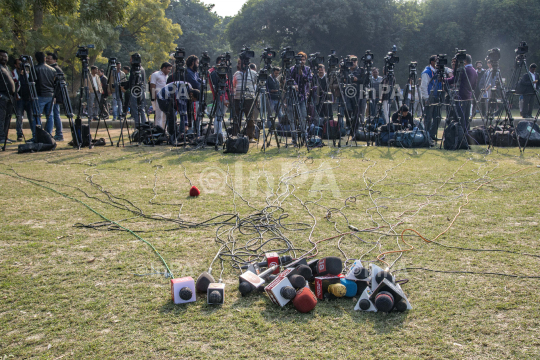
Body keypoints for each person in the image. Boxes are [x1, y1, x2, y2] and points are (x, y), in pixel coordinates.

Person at [156, 80, 198, 145]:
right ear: (191, 94)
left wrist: (187, 124)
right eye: (193, 99)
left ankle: (176, 134)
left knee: (173, 115)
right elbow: (182, 111)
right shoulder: (184, 91)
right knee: (171, 115)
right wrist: (185, 125)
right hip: (162, 98)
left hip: (170, 98)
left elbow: (186, 110)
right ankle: (172, 136)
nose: (192, 101)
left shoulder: (189, 88)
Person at [446, 54, 478, 131]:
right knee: (466, 118)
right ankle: (466, 135)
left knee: (460, 118)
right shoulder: (474, 70)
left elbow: (454, 79)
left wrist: (443, 80)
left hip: (461, 97)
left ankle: (460, 135)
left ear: (464, 61)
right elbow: (474, 86)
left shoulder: (464, 70)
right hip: (468, 97)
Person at [289, 51, 313, 144]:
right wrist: (294, 85)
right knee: (292, 119)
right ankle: (294, 138)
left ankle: (304, 137)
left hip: (303, 97)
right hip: (292, 96)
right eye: (300, 60)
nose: (302, 61)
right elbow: (288, 78)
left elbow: (309, 79)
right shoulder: (292, 69)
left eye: (303, 60)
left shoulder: (307, 69)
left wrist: (301, 73)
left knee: (303, 117)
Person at [232, 58, 258, 141]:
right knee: (237, 118)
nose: (238, 65)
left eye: (240, 63)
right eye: (238, 63)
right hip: (237, 98)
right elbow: (233, 85)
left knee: (250, 118)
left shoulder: (253, 73)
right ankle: (235, 135)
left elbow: (257, 85)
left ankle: (250, 136)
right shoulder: (236, 74)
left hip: (249, 98)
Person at [33, 52, 56, 135]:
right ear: (45, 58)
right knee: (50, 116)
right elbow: (54, 83)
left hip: (40, 94)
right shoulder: (52, 69)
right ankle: (49, 134)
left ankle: (37, 135)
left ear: (36, 59)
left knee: (37, 116)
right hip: (50, 94)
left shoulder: (35, 68)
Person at [420, 55, 441, 140]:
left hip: (437, 96)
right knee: (428, 117)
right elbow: (423, 86)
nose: (438, 62)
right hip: (430, 97)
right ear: (432, 62)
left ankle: (432, 134)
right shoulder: (427, 72)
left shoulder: (438, 71)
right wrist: (426, 98)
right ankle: (426, 135)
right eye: (437, 60)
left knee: (438, 117)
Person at [45, 53, 64, 141]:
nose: (47, 60)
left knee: (55, 115)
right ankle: (58, 134)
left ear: (55, 60)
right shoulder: (53, 69)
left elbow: (58, 85)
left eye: (49, 59)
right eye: (47, 58)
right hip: (54, 95)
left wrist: (55, 96)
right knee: (55, 114)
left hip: (55, 96)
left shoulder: (55, 69)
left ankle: (59, 134)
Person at [150, 62, 172, 130]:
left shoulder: (167, 76)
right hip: (158, 97)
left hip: (166, 98)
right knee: (158, 115)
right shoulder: (155, 75)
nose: (169, 71)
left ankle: (164, 131)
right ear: (164, 68)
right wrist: (155, 97)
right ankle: (158, 130)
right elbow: (152, 86)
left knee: (165, 116)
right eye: (168, 69)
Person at [0, 49, 15, 144]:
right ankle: (0, 137)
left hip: (9, 97)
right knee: (1, 118)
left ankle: (5, 136)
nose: (4, 58)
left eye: (5, 56)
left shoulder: (6, 68)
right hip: (2, 96)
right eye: (2, 56)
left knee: (7, 117)